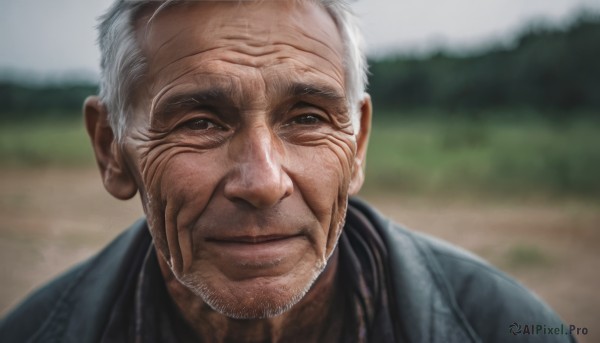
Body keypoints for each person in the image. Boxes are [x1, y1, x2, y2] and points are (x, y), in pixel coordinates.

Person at [0, 1, 574, 342]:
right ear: (111, 149)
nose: (263, 181)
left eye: (306, 117)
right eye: (200, 122)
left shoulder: (501, 326)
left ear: (359, 143)